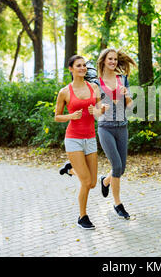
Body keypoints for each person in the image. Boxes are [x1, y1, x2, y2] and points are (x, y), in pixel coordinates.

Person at [54, 55, 108, 230]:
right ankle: (82, 217)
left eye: (84, 65)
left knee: (92, 183)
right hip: (73, 139)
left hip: (90, 138)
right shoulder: (65, 92)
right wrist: (70, 116)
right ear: (71, 69)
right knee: (85, 182)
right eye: (78, 65)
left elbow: (101, 111)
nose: (83, 68)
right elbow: (57, 116)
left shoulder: (93, 87)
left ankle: (70, 169)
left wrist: (98, 110)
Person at [96, 48, 135, 220]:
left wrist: (127, 96)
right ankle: (118, 204)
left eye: (115, 59)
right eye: (110, 59)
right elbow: (95, 111)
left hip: (122, 127)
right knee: (117, 166)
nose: (113, 62)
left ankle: (105, 181)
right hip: (105, 127)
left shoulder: (123, 79)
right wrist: (101, 108)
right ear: (103, 60)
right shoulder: (96, 83)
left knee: (121, 168)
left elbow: (130, 106)